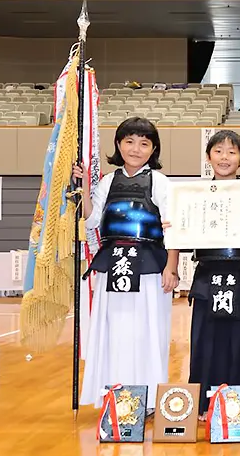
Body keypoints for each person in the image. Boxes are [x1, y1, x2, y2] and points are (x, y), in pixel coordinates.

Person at [73, 116, 180, 412]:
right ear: (119, 145)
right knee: (114, 330)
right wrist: (83, 185)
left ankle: (147, 400)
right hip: (113, 263)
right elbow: (92, 219)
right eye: (129, 141)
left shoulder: (160, 182)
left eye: (144, 143)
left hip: (149, 267)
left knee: (148, 330)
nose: (136, 149)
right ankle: (114, 395)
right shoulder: (107, 182)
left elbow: (172, 227)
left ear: (153, 149)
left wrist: (171, 267)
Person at [175, 130, 240, 421]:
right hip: (209, 275)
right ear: (208, 157)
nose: (224, 157)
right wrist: (175, 225)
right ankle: (206, 402)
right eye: (218, 151)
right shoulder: (193, 197)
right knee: (207, 341)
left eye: (232, 152)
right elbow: (181, 238)